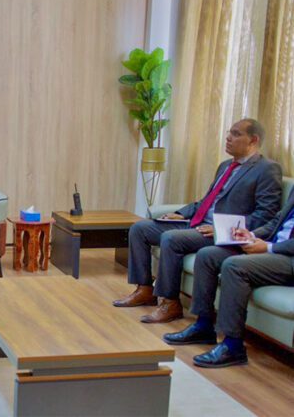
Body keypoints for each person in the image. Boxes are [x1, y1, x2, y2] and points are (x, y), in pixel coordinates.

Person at [113, 119, 282, 323]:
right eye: (229, 132)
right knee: (140, 228)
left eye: (236, 134)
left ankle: (170, 303)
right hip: (196, 222)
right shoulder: (226, 166)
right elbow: (207, 201)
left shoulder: (267, 169)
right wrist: (182, 213)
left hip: (219, 232)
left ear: (253, 140)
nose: (228, 138)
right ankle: (145, 289)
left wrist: (222, 229)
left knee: (171, 239)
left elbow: (265, 215)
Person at [163, 188, 294, 367]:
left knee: (234, 266)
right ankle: (203, 325)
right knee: (207, 255)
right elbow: (277, 222)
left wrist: (269, 248)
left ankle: (233, 346)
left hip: (287, 257)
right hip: (272, 247)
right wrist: (251, 235)